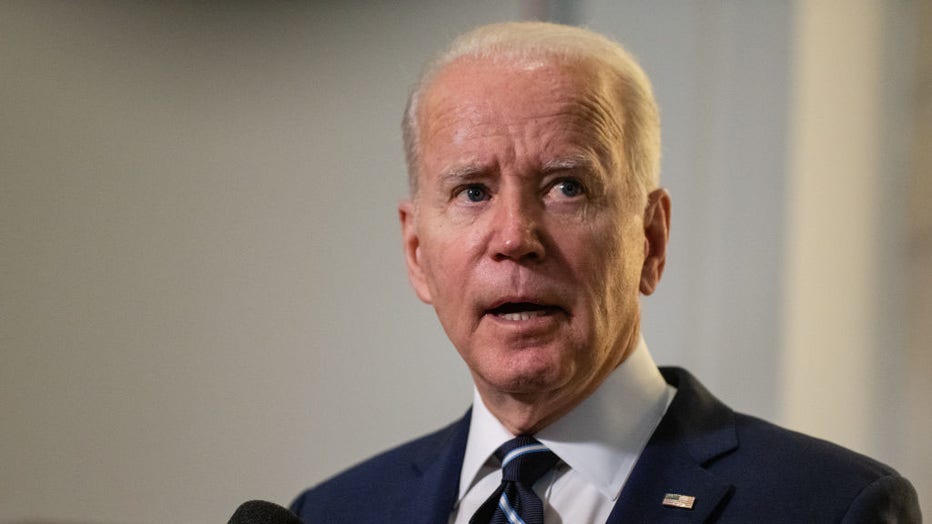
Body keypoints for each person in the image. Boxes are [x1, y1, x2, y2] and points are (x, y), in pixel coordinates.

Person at [290, 22, 921, 523]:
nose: (515, 238)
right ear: (417, 253)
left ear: (650, 239)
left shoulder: (829, 507)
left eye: (567, 186)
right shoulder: (331, 514)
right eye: (473, 192)